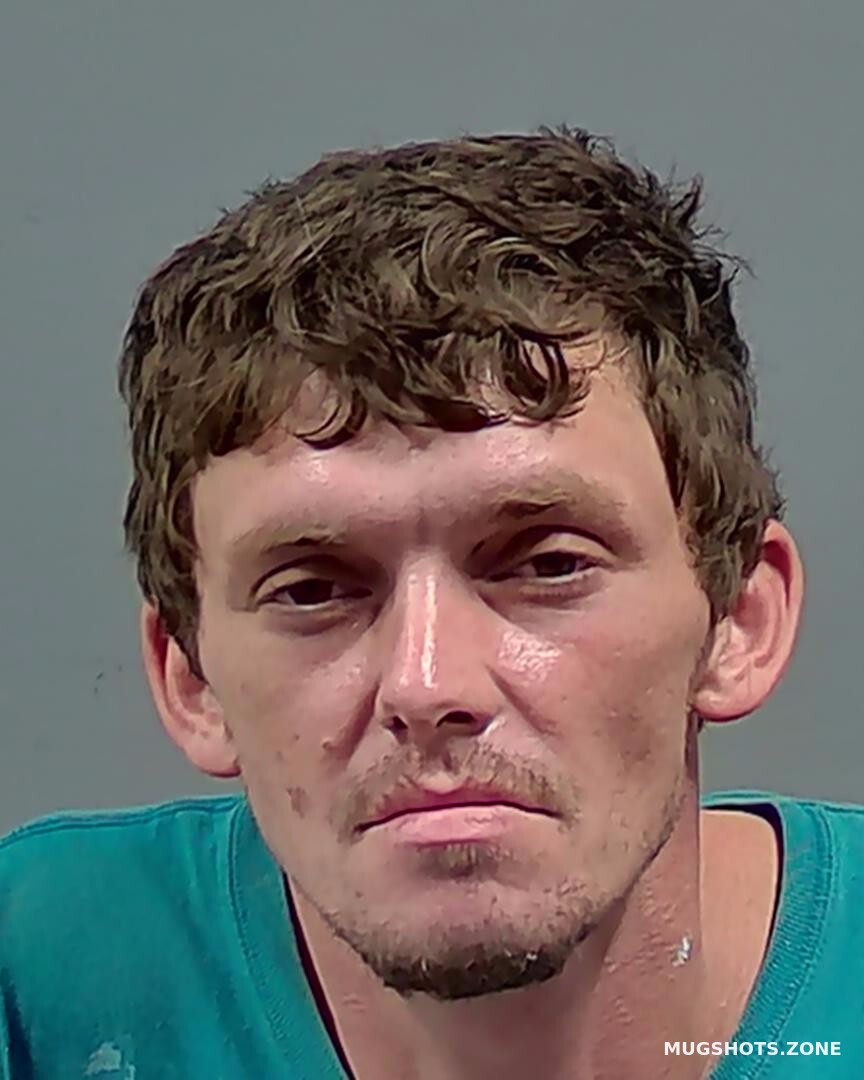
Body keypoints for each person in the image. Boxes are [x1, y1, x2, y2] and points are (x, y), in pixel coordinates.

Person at [0, 127, 860, 1080]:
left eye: (548, 566)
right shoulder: (39, 976)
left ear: (738, 618)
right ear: (190, 677)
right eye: (312, 589)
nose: (427, 684)